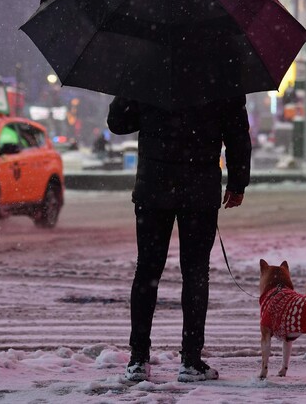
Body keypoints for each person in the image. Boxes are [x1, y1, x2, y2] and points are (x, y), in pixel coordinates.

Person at [107, 95, 251, 383]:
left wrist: (130, 90)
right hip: (199, 192)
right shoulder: (222, 70)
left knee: (147, 271)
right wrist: (237, 182)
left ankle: (138, 360)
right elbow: (237, 134)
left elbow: (118, 123)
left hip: (153, 190)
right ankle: (191, 360)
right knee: (196, 274)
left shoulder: (147, 68)